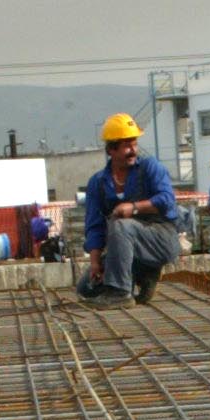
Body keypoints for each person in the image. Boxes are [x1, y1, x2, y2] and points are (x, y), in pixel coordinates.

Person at [80, 112, 180, 306]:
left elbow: (167, 199)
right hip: (126, 247)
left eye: (134, 143)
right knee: (86, 288)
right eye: (127, 145)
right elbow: (95, 226)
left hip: (160, 238)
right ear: (111, 149)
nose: (133, 150)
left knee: (121, 225)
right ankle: (145, 276)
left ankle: (120, 293)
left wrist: (133, 208)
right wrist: (95, 263)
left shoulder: (150, 167)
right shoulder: (98, 183)